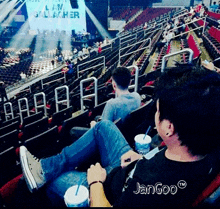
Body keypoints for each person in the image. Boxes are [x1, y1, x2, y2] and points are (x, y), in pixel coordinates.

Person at [19, 65, 220, 207]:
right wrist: (141, 159)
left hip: (109, 188)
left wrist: (96, 182)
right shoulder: (210, 147)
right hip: (131, 167)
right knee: (103, 126)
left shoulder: (149, 188)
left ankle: (44, 176)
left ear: (169, 128)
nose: (155, 115)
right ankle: (43, 168)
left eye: (157, 111)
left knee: (54, 182)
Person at [70, 66, 141, 138]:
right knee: (97, 117)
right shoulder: (137, 96)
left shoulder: (112, 104)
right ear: (130, 82)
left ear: (114, 85)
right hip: (125, 132)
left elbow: (104, 133)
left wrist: (94, 126)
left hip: (112, 138)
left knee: (73, 130)